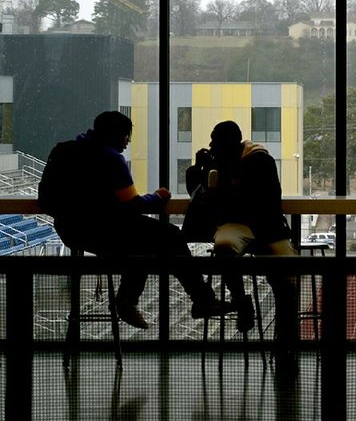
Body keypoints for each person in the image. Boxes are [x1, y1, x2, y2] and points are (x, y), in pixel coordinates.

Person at [38, 111, 232, 329]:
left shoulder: (62, 152)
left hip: (71, 231)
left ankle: (131, 302)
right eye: (126, 136)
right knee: (170, 236)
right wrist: (159, 197)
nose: (127, 142)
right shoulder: (111, 158)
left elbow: (45, 200)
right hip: (107, 230)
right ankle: (197, 300)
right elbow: (134, 204)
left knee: (143, 245)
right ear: (117, 134)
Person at [185, 120, 299, 371]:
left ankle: (246, 305)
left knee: (227, 247)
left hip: (253, 224)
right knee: (285, 275)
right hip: (267, 228)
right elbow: (202, 194)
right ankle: (286, 343)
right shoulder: (243, 160)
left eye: (215, 140)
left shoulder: (258, 161)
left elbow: (205, 200)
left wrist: (212, 181)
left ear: (228, 142)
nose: (211, 145)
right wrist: (202, 170)